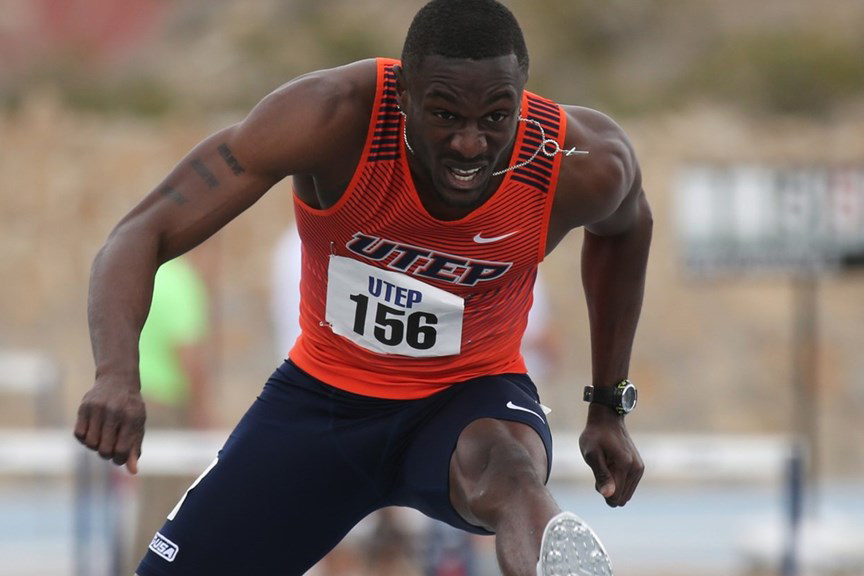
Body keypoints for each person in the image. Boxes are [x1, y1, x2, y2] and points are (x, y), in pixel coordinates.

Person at [73, 1, 652, 574]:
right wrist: (116, 375)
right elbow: (139, 233)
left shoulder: (578, 159)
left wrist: (608, 406)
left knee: (508, 473)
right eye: (445, 115)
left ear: (522, 104)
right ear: (402, 96)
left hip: (466, 395)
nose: (470, 146)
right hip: (321, 400)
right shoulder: (331, 118)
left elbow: (628, 228)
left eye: (495, 118)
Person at [126, 255, 211, 574]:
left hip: (144, 399)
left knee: (151, 502)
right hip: (165, 407)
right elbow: (188, 355)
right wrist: (202, 413)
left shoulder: (153, 274)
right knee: (162, 509)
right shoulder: (182, 282)